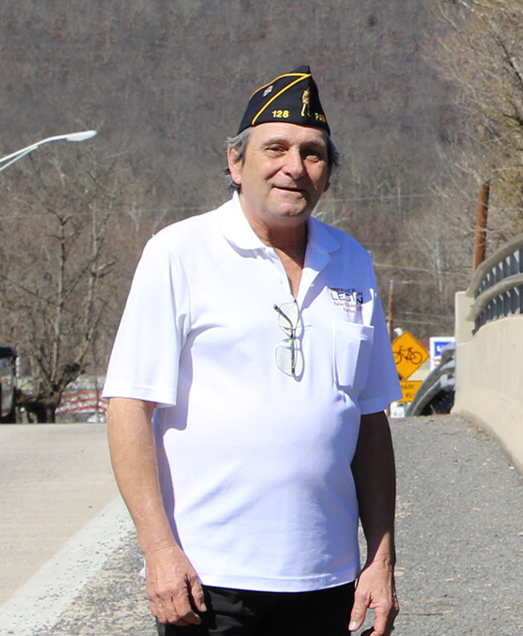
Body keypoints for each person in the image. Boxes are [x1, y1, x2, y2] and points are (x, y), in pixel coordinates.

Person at [103, 67, 401, 635]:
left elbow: (369, 420)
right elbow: (129, 408)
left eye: (313, 154)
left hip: (329, 579)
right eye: (276, 148)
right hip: (210, 579)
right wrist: (159, 551)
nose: (295, 166)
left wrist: (380, 559)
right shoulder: (179, 253)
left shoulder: (352, 261)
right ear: (237, 164)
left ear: (328, 177)